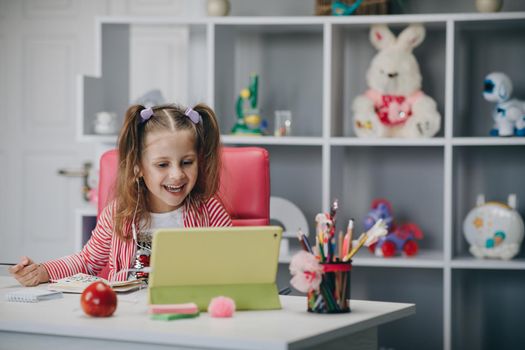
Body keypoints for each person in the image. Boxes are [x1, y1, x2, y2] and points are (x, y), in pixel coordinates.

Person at [9, 103, 232, 286]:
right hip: (127, 315)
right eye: (162, 164)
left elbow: (235, 262)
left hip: (188, 311)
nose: (177, 175)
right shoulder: (118, 214)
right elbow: (87, 261)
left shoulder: (209, 211)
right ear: (138, 167)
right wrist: (43, 271)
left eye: (187, 162)